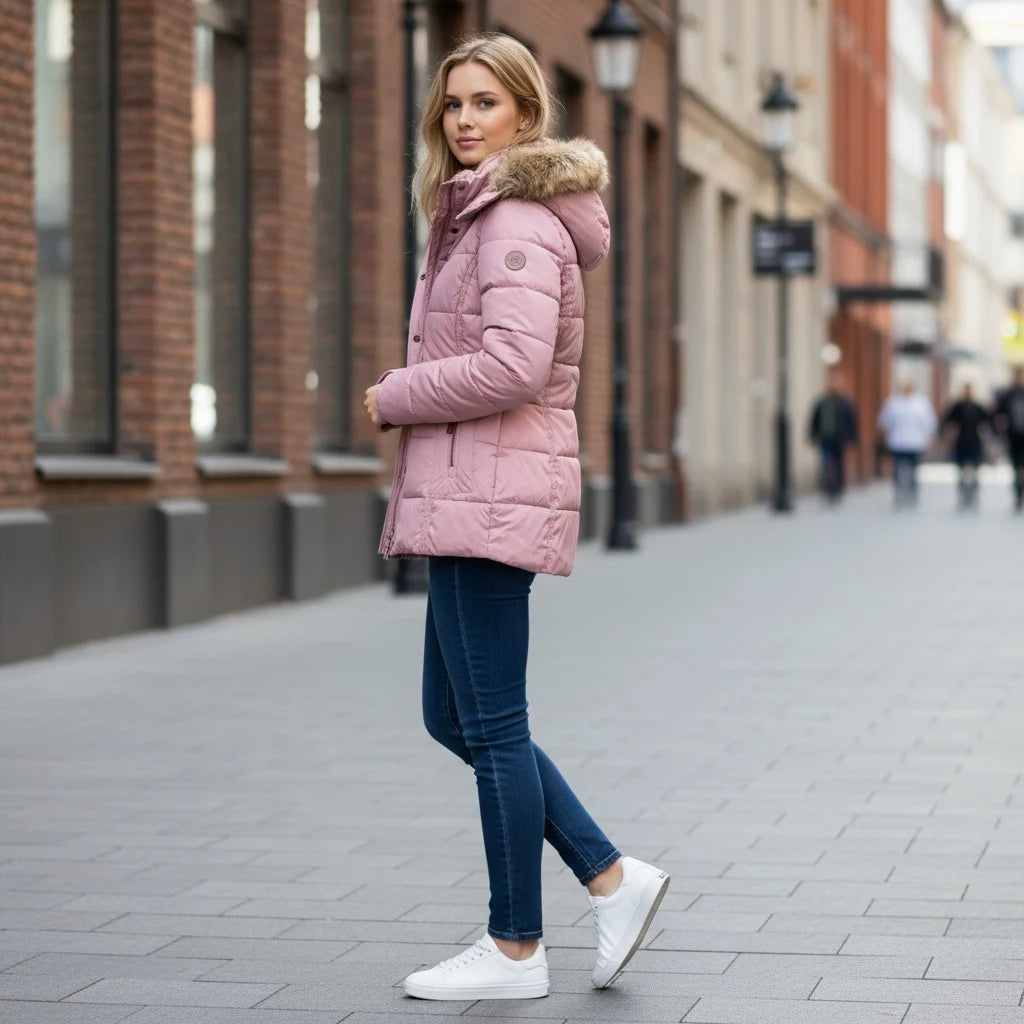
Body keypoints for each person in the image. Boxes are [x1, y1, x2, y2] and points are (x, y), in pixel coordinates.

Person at [362, 34, 669, 1002]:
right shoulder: (476, 212)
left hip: (489, 492)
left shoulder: (512, 222)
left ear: (525, 116)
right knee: (451, 713)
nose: (462, 118)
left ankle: (515, 947)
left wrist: (395, 392)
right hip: (470, 491)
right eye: (452, 102)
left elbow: (514, 366)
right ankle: (612, 877)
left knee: (490, 722)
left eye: (484, 102)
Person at [877, 381, 937, 507]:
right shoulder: (893, 402)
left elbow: (929, 422)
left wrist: (930, 437)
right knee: (897, 469)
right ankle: (898, 493)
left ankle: (912, 493)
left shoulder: (921, 403)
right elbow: (884, 421)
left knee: (914, 471)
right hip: (897, 442)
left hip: (915, 442)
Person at [808, 369, 858, 502]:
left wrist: (853, 439)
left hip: (840, 439)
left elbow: (852, 422)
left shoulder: (846, 402)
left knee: (839, 465)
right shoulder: (822, 401)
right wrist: (812, 435)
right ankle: (827, 490)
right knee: (825, 465)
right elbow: (814, 419)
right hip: (825, 438)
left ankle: (838, 490)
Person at [941, 382, 991, 510]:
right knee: (961, 471)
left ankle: (974, 494)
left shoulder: (978, 406)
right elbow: (947, 421)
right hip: (961, 442)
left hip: (974, 441)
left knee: (975, 471)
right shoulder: (957, 406)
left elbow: (987, 422)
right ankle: (962, 495)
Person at [993, 365, 1024, 511]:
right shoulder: (1007, 395)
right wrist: (999, 434)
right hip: (1013, 437)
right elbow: (997, 415)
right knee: (1016, 467)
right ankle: (1018, 495)